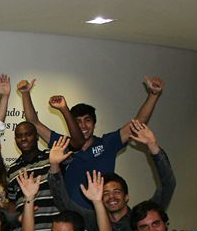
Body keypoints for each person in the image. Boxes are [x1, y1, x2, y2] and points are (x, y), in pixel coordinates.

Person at [18, 76, 164, 208]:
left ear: (94, 124)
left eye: (87, 121)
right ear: (71, 124)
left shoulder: (108, 143)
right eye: (78, 122)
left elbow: (138, 122)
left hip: (104, 212)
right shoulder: (62, 144)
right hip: (74, 217)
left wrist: (153, 95)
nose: (83, 126)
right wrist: (25, 94)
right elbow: (33, 123)